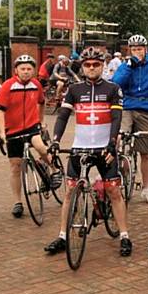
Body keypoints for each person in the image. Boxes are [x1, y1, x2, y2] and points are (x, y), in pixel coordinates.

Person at [44, 47, 132, 257]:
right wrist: (55, 141)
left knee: (113, 191)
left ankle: (125, 235)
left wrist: (112, 143)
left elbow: (116, 118)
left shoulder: (113, 88)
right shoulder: (74, 90)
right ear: (82, 67)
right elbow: (63, 117)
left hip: (104, 148)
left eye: (96, 64)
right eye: (87, 65)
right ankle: (63, 236)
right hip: (79, 147)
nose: (92, 68)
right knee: (69, 192)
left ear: (103, 66)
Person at [0, 55, 60, 217]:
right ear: (16, 70)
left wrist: (41, 121)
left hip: (31, 127)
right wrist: (2, 132)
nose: (26, 72)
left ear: (34, 70)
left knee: (40, 146)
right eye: (22, 69)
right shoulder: (8, 86)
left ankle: (54, 169)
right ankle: (18, 202)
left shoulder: (36, 84)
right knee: (16, 167)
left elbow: (41, 102)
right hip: (12, 131)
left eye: (29, 69)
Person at [112, 34, 148, 205]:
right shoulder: (125, 65)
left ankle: (147, 188)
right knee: (120, 140)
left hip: (147, 109)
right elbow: (116, 84)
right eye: (134, 49)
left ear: (145, 49)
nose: (137, 52)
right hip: (127, 107)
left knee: (146, 153)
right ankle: (118, 178)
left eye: (140, 49)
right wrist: (128, 67)